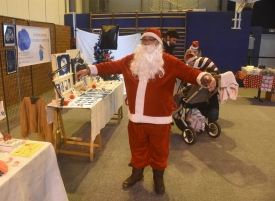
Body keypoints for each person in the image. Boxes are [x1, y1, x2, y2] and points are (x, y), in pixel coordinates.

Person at [75, 28, 216, 195]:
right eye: (145, 40)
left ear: (159, 43)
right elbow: (110, 66)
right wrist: (88, 70)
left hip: (160, 121)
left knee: (160, 151)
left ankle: (158, 178)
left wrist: (205, 77)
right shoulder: (130, 61)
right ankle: (137, 174)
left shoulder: (169, 61)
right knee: (137, 149)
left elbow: (189, 73)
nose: (147, 43)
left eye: (152, 40)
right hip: (136, 119)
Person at [185, 52, 220, 122]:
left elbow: (195, 75)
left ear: (192, 61)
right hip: (215, 75)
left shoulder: (196, 63)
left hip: (212, 74)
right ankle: (212, 118)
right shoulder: (199, 60)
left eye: (189, 63)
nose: (189, 65)